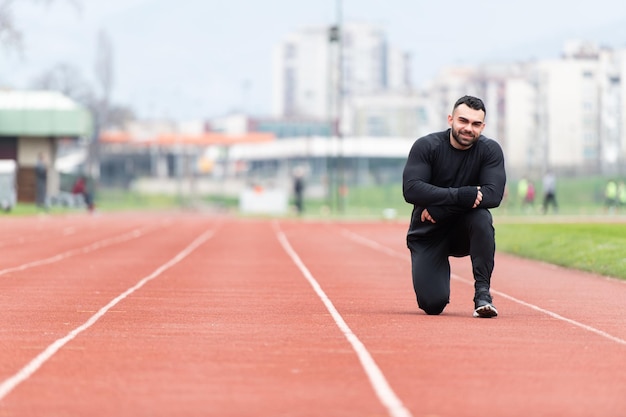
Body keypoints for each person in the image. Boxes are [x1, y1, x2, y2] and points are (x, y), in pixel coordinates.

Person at [402, 95, 506, 318]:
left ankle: (483, 294)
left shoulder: (490, 150)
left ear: (483, 126)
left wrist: (442, 209)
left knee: (482, 217)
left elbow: (494, 195)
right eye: (463, 121)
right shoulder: (427, 146)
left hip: (462, 231)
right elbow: (411, 190)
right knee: (433, 304)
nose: (469, 128)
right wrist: (462, 195)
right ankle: (435, 278)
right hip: (428, 232)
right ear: (450, 119)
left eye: (476, 124)